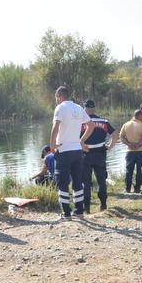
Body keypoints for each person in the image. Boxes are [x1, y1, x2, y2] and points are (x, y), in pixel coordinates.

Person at [50, 86, 94, 219]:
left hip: (63, 150)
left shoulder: (60, 108)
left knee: (62, 182)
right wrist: (81, 140)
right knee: (77, 181)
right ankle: (79, 211)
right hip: (77, 151)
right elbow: (91, 125)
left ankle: (66, 213)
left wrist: (52, 145)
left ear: (59, 96)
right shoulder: (79, 108)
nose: (56, 100)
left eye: (56, 98)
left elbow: (55, 126)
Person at [80, 99, 117, 212]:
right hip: (100, 153)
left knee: (85, 182)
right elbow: (115, 134)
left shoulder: (81, 122)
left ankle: (87, 208)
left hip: (86, 154)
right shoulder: (104, 121)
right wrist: (110, 146)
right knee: (101, 180)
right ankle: (103, 205)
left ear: (85, 108)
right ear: (94, 108)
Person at [119, 109, 142, 193]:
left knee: (129, 170)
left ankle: (127, 188)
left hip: (129, 151)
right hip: (141, 151)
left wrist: (128, 144)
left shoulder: (126, 124)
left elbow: (121, 136)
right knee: (139, 171)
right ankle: (137, 188)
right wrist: (139, 144)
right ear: (138, 115)